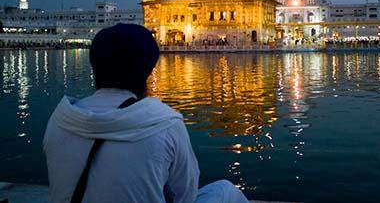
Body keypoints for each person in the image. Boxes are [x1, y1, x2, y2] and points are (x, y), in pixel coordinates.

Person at [44, 24, 249, 203]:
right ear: (148, 71)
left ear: (95, 65)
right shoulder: (164, 122)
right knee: (225, 190)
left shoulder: (60, 118)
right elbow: (185, 195)